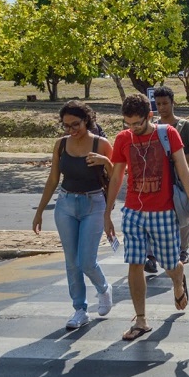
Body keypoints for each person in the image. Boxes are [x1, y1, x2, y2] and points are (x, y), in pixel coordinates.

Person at [104, 93, 189, 342]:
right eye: (128, 124)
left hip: (163, 212)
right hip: (133, 212)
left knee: (169, 264)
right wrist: (107, 213)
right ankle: (141, 320)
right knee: (134, 263)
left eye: (137, 123)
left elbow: (183, 170)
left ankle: (178, 280)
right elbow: (116, 177)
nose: (133, 129)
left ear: (149, 116)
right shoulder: (123, 139)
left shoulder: (167, 133)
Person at [32, 100, 114, 330]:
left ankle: (104, 289)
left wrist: (105, 161)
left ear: (86, 120)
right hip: (66, 204)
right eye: (66, 126)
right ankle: (80, 309)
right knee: (71, 262)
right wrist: (39, 212)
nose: (71, 130)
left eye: (75, 124)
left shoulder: (102, 144)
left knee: (86, 260)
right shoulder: (60, 145)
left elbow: (119, 175)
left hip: (94, 203)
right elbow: (52, 180)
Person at [150, 86, 189, 266]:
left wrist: (178, 159)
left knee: (183, 214)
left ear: (173, 103)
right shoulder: (154, 127)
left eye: (165, 103)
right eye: (158, 104)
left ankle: (183, 250)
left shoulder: (185, 127)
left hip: (180, 180)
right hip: (158, 179)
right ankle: (151, 254)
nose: (162, 107)